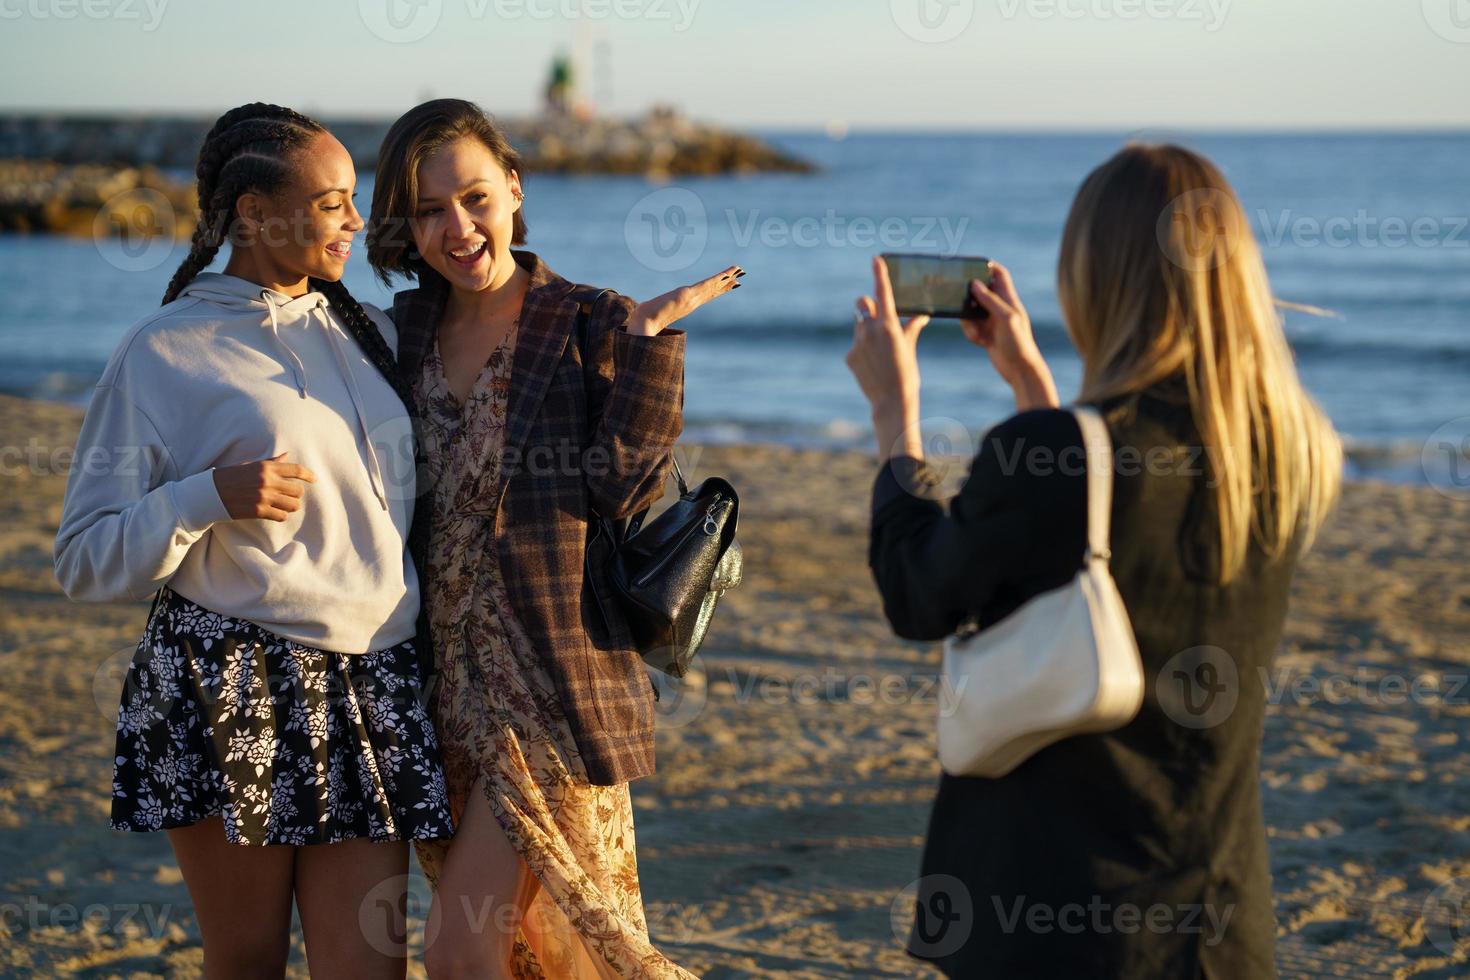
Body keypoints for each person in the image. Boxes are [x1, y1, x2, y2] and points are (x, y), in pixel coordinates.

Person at [845, 144, 1342, 977]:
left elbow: (918, 594)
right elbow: (1106, 539)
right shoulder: (1289, 451)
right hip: (1213, 921)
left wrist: (897, 416)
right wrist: (1035, 387)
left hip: (1059, 921)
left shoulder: (1053, 460)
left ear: (1093, 279)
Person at [54, 103, 452, 980]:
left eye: (356, 200)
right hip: (232, 679)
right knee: (246, 960)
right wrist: (206, 497)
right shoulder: (162, 351)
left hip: (375, 678)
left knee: (367, 967)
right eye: (332, 201)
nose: (356, 220)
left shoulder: (367, 330)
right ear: (253, 214)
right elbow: (83, 558)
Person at [367, 98, 740, 978]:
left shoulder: (587, 318)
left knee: (460, 949)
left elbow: (624, 488)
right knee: (540, 956)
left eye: (474, 198)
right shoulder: (403, 332)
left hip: (551, 694)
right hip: (444, 696)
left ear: (514, 189)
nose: (457, 228)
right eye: (428, 209)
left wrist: (651, 345)